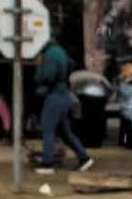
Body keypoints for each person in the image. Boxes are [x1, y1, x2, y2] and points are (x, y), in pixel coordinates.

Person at [32, 36, 89, 173]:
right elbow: (71, 64)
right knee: (66, 133)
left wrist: (38, 74)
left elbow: (47, 76)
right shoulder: (60, 52)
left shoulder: (50, 54)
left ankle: (48, 164)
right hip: (64, 95)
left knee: (48, 130)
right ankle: (84, 158)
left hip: (54, 96)